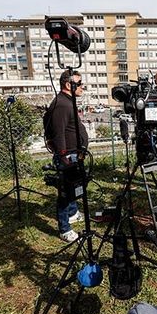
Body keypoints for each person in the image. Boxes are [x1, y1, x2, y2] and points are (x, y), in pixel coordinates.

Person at [44, 70, 88, 242]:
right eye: (79, 83)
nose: (82, 86)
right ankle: (64, 228)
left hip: (74, 154)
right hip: (68, 155)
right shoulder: (62, 104)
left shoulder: (68, 101)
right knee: (65, 191)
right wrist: (63, 156)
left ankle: (73, 212)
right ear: (69, 85)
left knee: (74, 186)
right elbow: (58, 133)